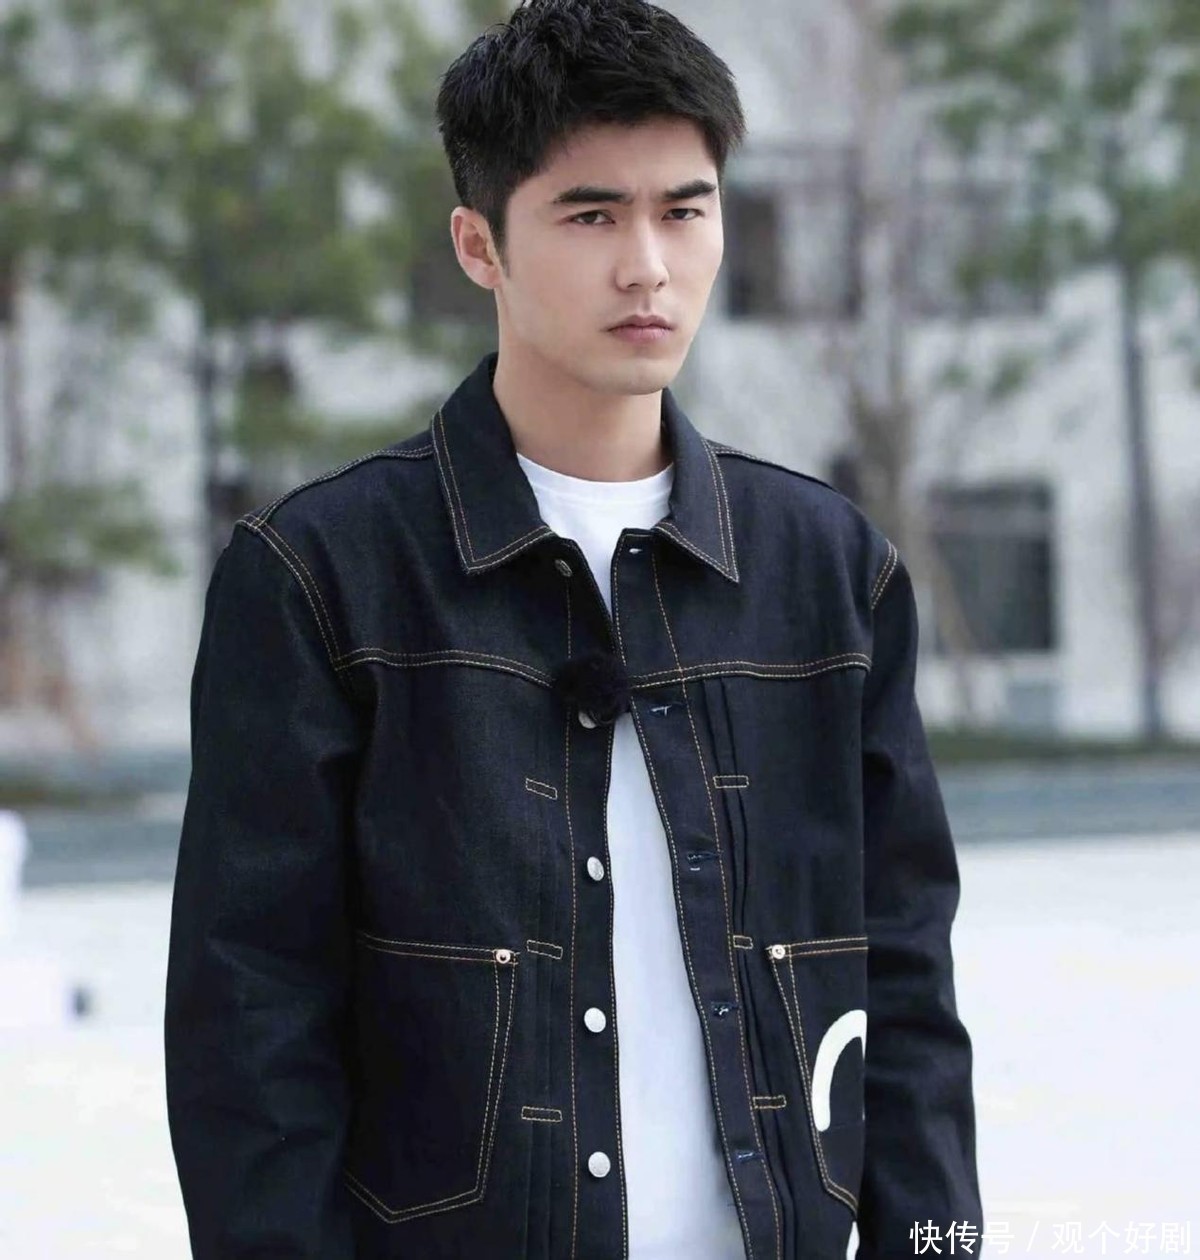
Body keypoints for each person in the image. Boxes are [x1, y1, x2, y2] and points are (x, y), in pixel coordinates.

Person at [164, 1, 984, 1257]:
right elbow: (250, 1025)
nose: (648, 265)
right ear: (478, 244)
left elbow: (906, 985)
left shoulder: (830, 572)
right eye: (592, 216)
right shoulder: (322, 575)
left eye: (685, 211)